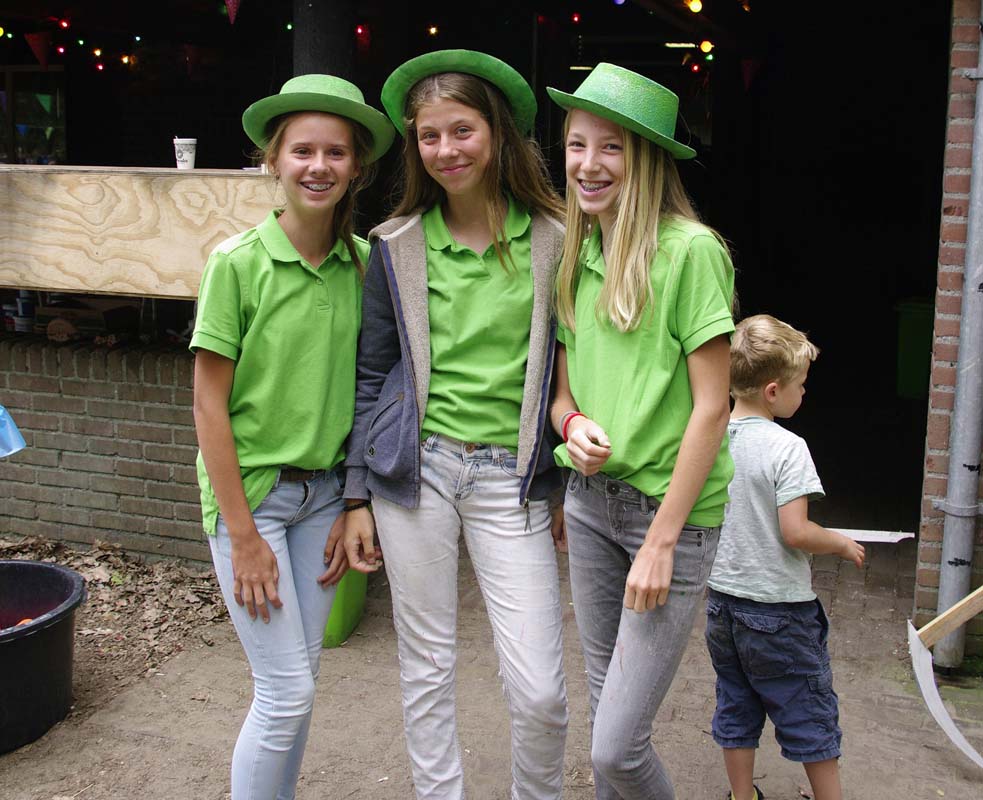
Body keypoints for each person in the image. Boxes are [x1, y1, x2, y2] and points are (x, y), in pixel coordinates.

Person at [342, 49, 568, 799]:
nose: (446, 150)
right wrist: (356, 494)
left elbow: (575, 366)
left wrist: (565, 477)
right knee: (428, 664)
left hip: (512, 480)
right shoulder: (396, 244)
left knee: (540, 689)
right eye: (429, 136)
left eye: (461, 130)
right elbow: (371, 375)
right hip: (419, 472)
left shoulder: (558, 240)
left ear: (496, 132)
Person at [190, 74, 393, 800]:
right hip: (254, 502)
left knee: (299, 682)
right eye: (302, 150)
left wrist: (353, 501)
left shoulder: (365, 267)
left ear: (356, 167)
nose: (318, 165)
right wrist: (243, 535)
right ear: (272, 159)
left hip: (324, 502)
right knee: (284, 692)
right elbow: (208, 407)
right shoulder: (236, 264)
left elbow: (369, 393)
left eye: (336, 152)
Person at [547, 63, 736, 799]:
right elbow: (563, 396)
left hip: (670, 523)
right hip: (591, 506)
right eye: (576, 144)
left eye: (612, 147)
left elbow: (712, 408)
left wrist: (660, 542)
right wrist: (573, 425)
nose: (588, 164)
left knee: (617, 752)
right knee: (606, 719)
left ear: (648, 160)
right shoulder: (576, 254)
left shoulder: (691, 252)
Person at [705, 314, 866, 800]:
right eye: (801, 384)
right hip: (779, 611)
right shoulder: (788, 448)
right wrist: (838, 542)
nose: (805, 392)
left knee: (736, 704)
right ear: (773, 391)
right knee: (809, 710)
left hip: (722, 604)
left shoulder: (708, 437)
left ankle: (741, 796)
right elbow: (796, 533)